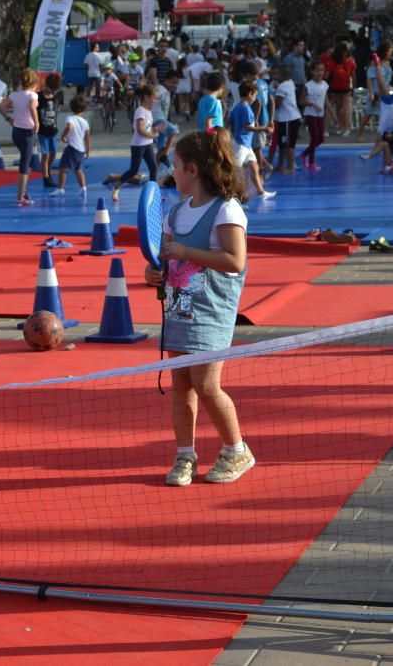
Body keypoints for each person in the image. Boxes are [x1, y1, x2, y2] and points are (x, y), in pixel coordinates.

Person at [143, 128, 253, 487]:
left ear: (192, 170)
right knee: (180, 387)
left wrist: (186, 253)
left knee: (207, 385)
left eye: (175, 165)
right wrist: (155, 273)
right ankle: (184, 455)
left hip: (211, 313)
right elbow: (167, 259)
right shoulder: (175, 213)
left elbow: (235, 260)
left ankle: (236, 451)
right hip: (178, 310)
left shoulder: (227, 210)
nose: (171, 172)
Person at [0, 68, 40, 206]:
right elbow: (33, 108)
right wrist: (37, 123)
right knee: (24, 165)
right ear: (34, 83)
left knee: (27, 163)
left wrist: (8, 119)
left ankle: (23, 190)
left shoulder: (14, 95)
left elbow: (1, 107)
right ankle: (20, 198)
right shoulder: (32, 96)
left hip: (16, 132)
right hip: (28, 132)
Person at [112, 85, 159, 202]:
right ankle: (117, 186)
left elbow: (147, 128)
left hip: (148, 144)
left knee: (153, 167)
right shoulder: (140, 111)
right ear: (146, 97)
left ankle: (153, 193)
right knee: (134, 170)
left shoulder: (148, 111)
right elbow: (140, 129)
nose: (155, 101)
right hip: (138, 145)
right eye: (154, 98)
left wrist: (155, 130)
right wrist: (152, 135)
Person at [229, 81, 275, 199]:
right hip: (241, 144)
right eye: (255, 95)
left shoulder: (237, 106)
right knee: (236, 170)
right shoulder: (246, 109)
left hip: (246, 144)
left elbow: (229, 121)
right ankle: (231, 194)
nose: (255, 98)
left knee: (254, 166)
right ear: (250, 94)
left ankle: (261, 192)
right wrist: (263, 128)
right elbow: (247, 126)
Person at [50, 96, 91, 197]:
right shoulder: (85, 122)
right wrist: (88, 151)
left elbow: (69, 127)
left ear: (72, 107)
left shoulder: (70, 118)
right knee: (78, 170)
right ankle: (83, 188)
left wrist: (63, 136)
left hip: (72, 147)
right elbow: (87, 138)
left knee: (62, 169)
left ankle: (60, 188)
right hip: (81, 149)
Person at [272, 65, 302, 173]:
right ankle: (280, 166)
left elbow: (277, 102)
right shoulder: (290, 83)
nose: (275, 76)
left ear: (281, 75)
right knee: (283, 144)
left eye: (277, 74)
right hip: (289, 118)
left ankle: (291, 167)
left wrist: (268, 114)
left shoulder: (283, 86)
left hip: (288, 119)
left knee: (288, 145)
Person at [37, 72, 64, 189]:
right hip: (42, 131)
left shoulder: (59, 95)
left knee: (53, 153)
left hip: (53, 130)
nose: (52, 92)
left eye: (55, 90)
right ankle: (45, 178)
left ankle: (48, 168)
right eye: (51, 89)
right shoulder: (38, 96)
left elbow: (59, 107)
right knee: (45, 154)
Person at [301, 63, 329, 170]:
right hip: (310, 114)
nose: (320, 73)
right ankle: (311, 161)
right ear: (312, 72)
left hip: (320, 114)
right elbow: (302, 101)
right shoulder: (308, 85)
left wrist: (332, 114)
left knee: (321, 139)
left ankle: (305, 154)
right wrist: (313, 104)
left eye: (322, 70)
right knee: (315, 137)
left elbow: (326, 100)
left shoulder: (325, 84)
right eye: (317, 71)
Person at [326, 41, 355, 136]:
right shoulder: (350, 62)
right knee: (345, 108)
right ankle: (345, 128)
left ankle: (339, 127)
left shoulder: (332, 62)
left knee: (337, 108)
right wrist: (353, 87)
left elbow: (327, 76)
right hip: (345, 87)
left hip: (335, 87)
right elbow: (353, 76)